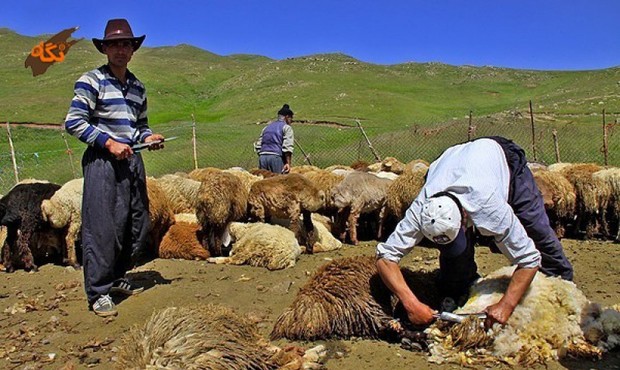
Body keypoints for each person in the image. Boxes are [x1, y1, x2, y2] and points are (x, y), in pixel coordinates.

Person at [375, 136, 573, 328]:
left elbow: (529, 259)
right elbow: (385, 258)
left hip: (501, 158)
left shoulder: (489, 206)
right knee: (455, 257)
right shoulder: (420, 210)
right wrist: (411, 303)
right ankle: (465, 293)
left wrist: (506, 306)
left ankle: (561, 290)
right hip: (447, 162)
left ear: (464, 218)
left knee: (536, 230)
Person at [64, 19, 165, 317]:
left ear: (133, 49)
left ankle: (118, 276)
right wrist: (108, 143)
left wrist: (149, 137)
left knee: (136, 222)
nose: (120, 49)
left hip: (132, 159)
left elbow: (139, 127)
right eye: (114, 44)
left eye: (126, 44)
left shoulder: (137, 87)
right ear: (105, 48)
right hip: (102, 161)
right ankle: (97, 292)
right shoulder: (91, 81)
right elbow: (74, 121)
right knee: (102, 226)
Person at [254, 104, 295, 174]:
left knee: (264, 182)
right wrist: (288, 163)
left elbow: (258, 145)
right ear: (287, 117)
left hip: (263, 157)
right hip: (276, 157)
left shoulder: (266, 128)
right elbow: (287, 147)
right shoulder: (286, 128)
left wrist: (262, 156)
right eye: (291, 118)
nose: (291, 121)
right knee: (278, 182)